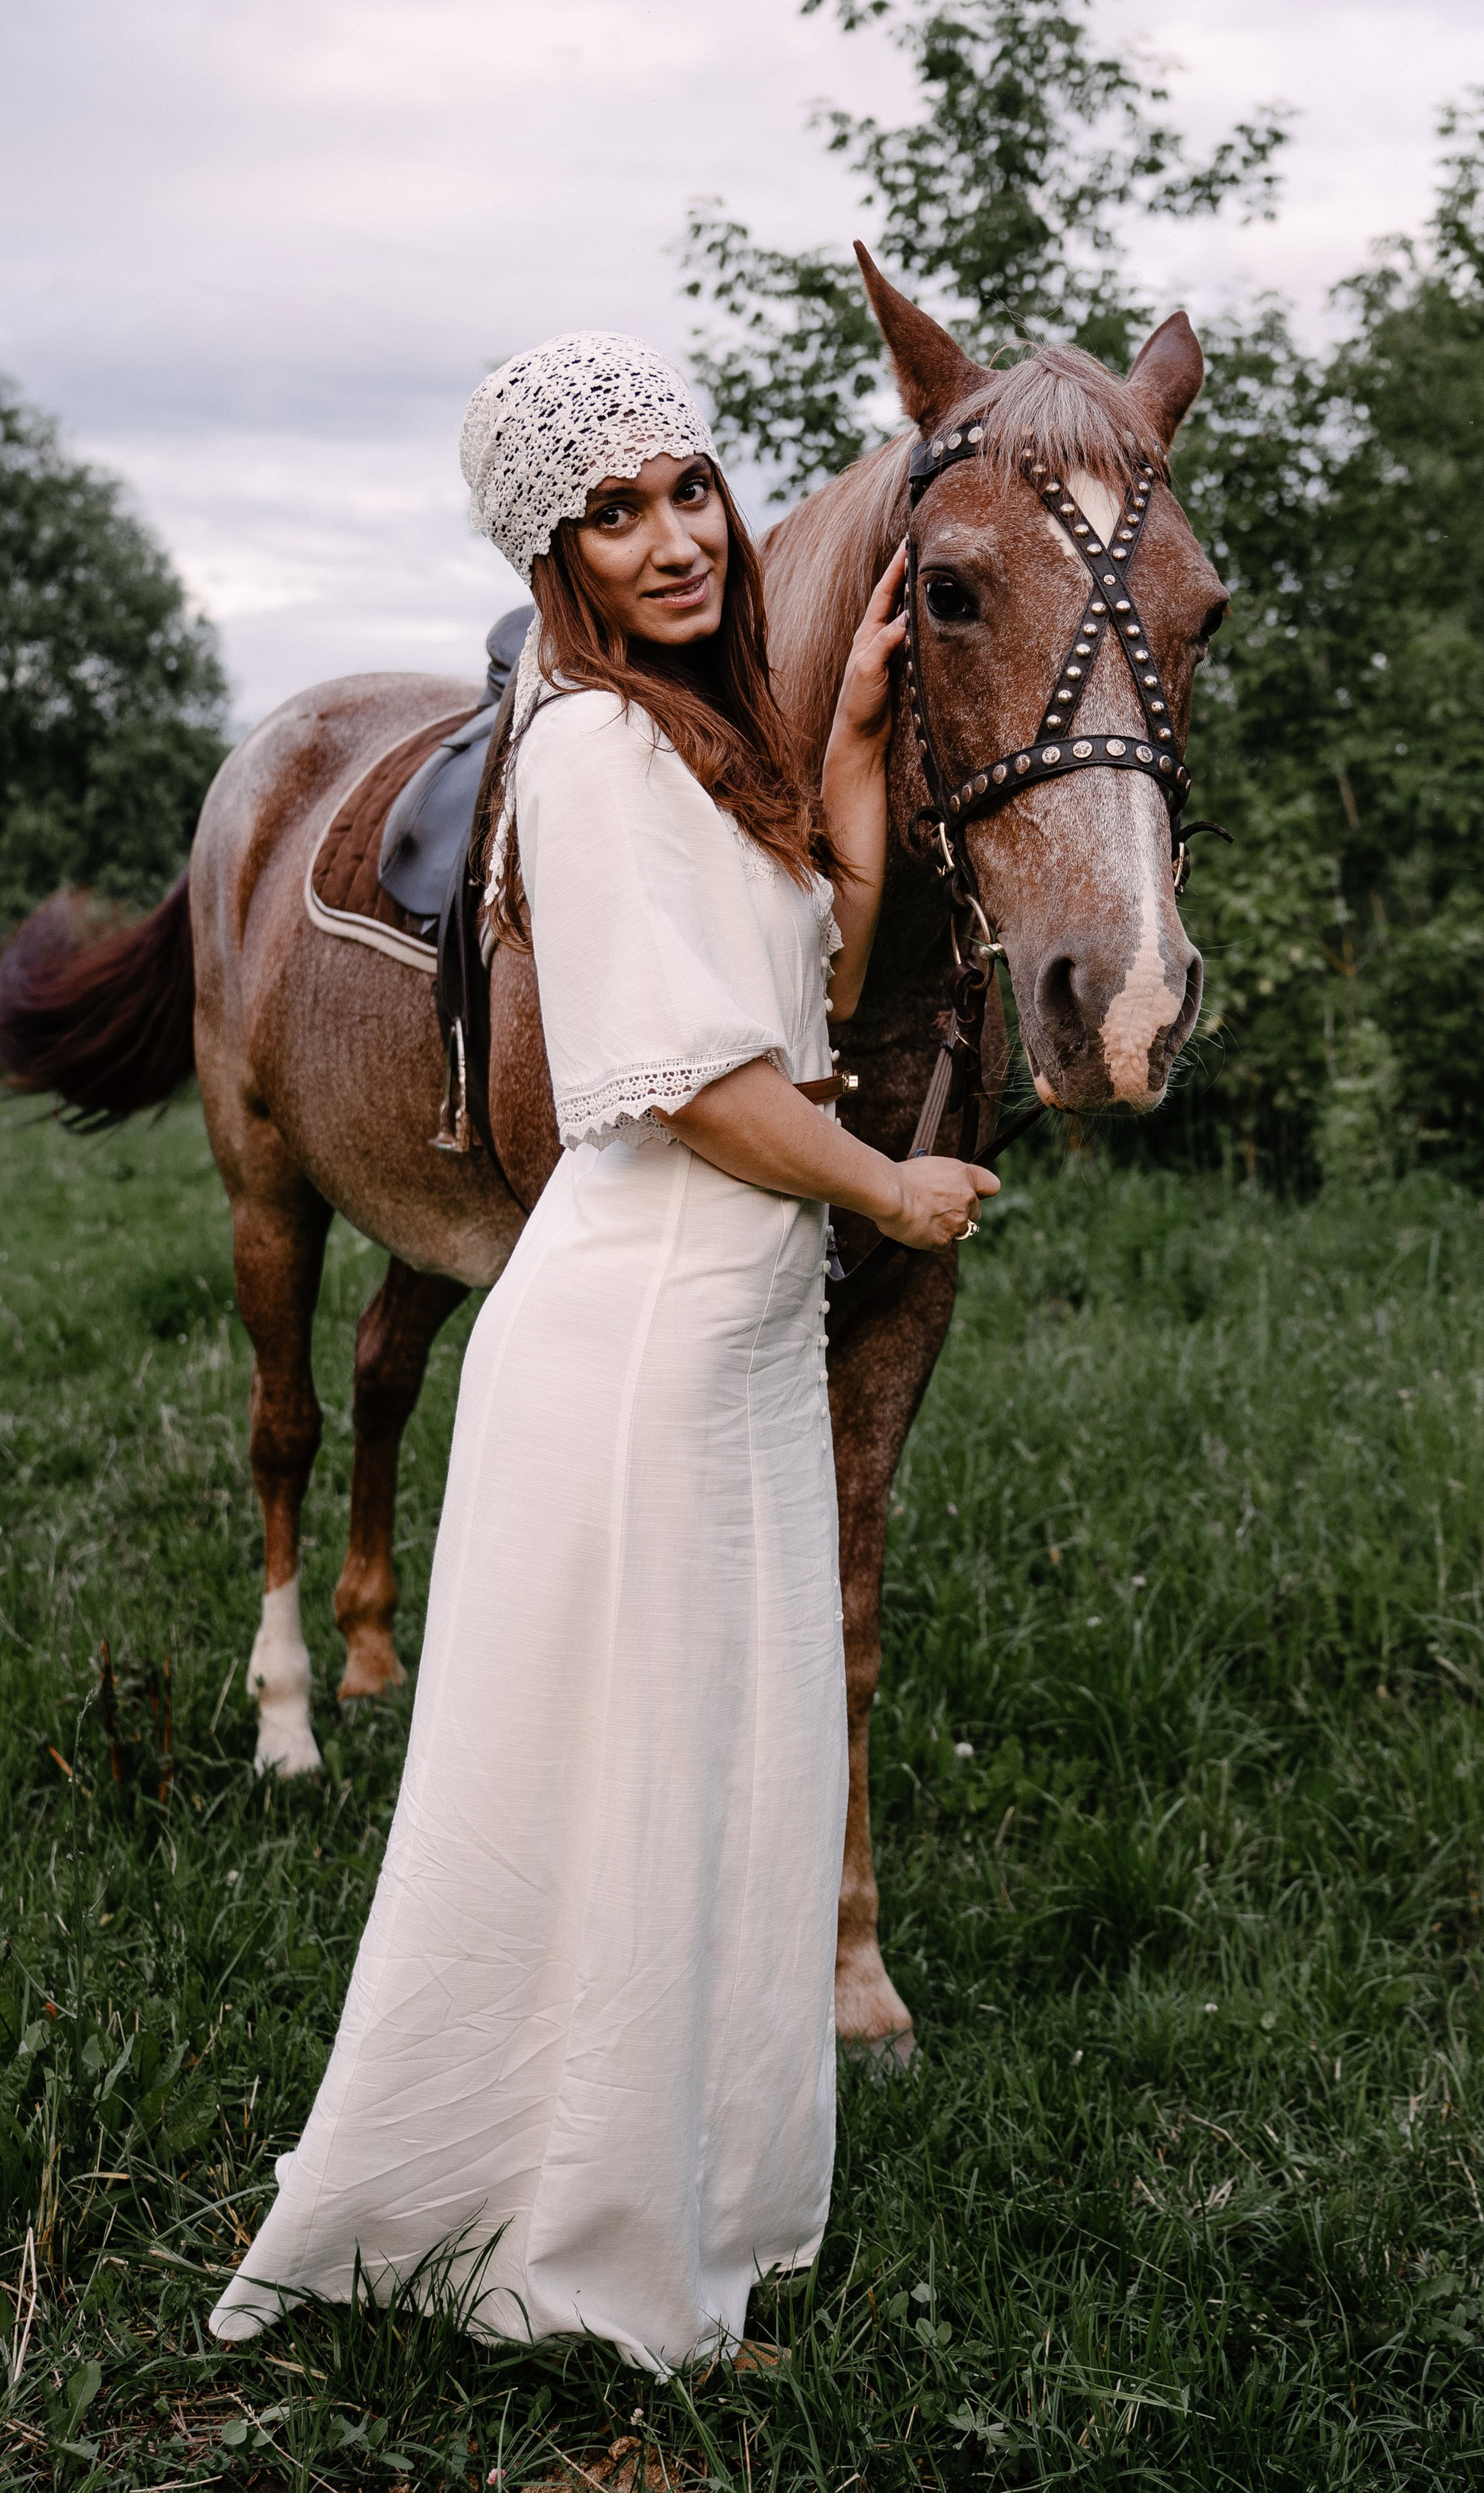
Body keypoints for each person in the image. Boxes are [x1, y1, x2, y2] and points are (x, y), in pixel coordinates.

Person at [210, 332, 996, 2371]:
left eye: (689, 489)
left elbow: (792, 979)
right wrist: (891, 1191)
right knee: (638, 1787)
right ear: (552, 549)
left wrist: (834, 777)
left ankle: (697, 2206)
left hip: (723, 1347)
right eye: (614, 512)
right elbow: (702, 1080)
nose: (673, 538)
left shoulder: (697, 738)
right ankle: (589, 2255)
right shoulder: (580, 743)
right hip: (641, 1335)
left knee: (730, 1783)